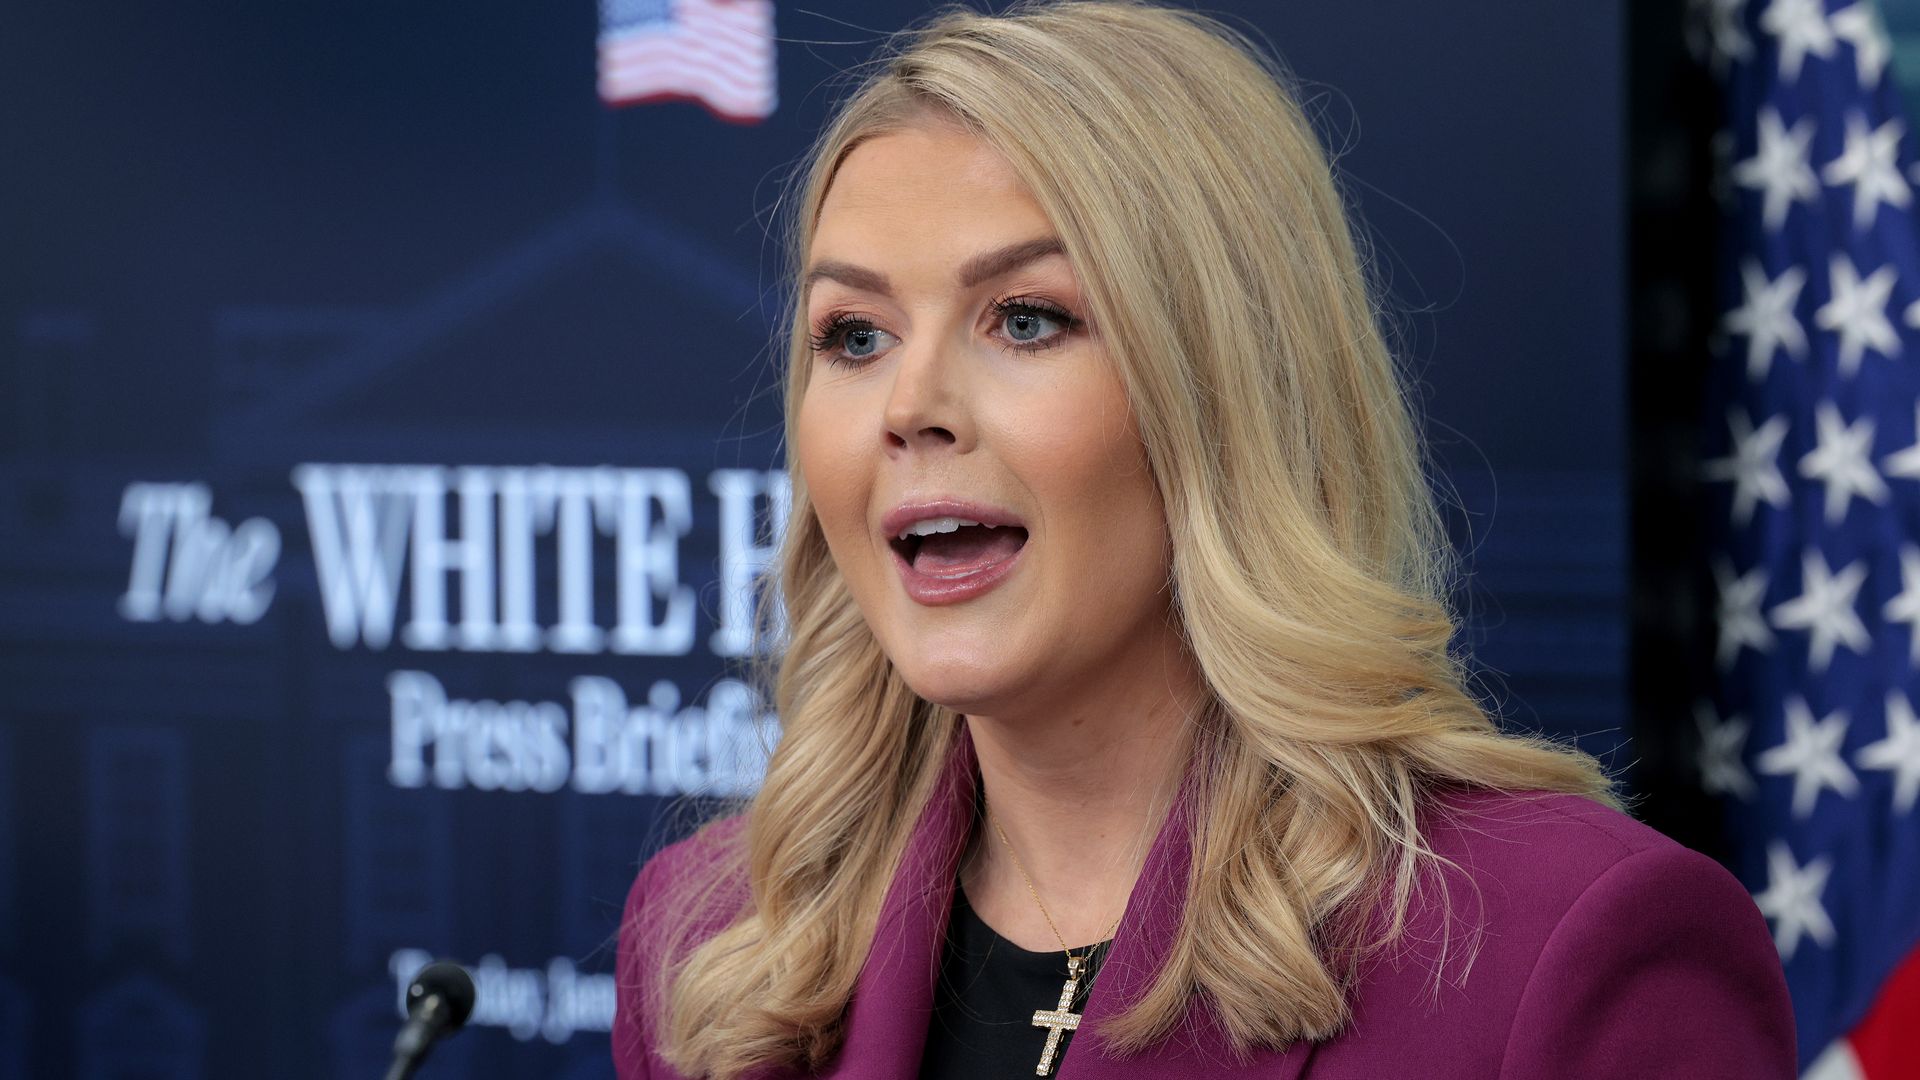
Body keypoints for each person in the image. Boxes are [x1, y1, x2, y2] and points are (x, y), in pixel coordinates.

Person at [614, 2, 1796, 1077]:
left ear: (1227, 392)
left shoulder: (1560, 944)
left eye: (1026, 319)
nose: (908, 405)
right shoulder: (715, 947)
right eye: (854, 336)